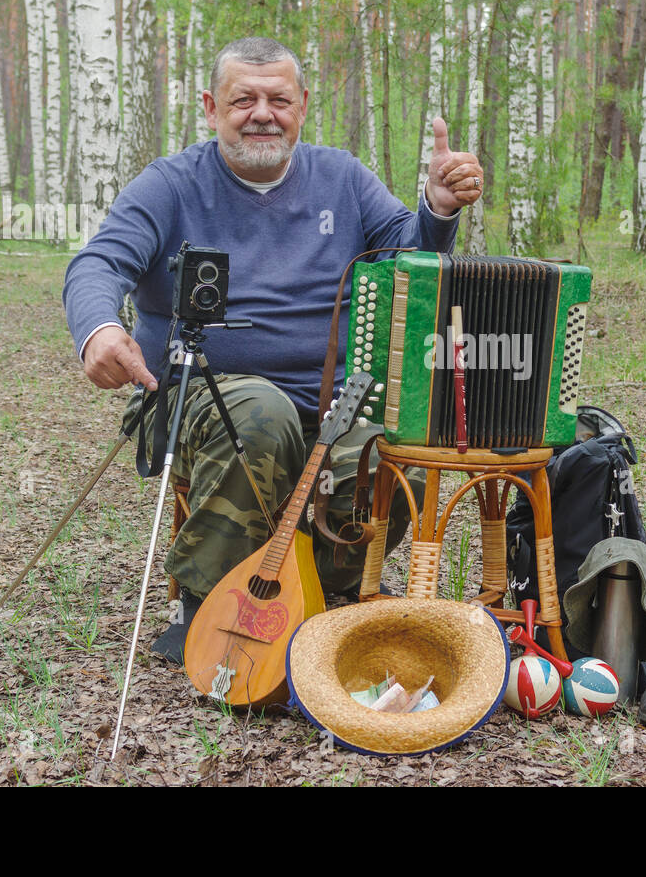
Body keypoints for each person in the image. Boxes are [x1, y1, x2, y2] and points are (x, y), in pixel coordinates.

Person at [62, 36, 485, 663]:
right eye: (243, 100)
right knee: (261, 415)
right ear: (210, 107)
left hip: (337, 400)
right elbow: (98, 263)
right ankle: (211, 605)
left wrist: (437, 209)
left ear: (303, 105)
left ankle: (325, 585)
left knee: (401, 443)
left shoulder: (341, 177)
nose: (263, 113)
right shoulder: (170, 186)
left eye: (279, 100)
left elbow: (407, 252)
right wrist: (98, 328)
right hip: (198, 399)